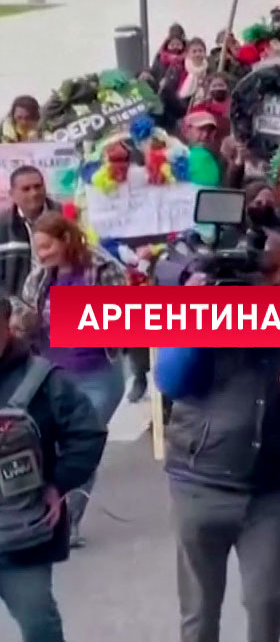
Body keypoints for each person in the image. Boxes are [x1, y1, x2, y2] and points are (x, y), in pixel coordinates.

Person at [155, 227, 280, 642]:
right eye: (268, 272)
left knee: (266, 601)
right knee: (200, 613)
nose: (278, 282)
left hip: (271, 491)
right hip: (200, 485)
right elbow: (171, 381)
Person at [9, 214, 124, 544]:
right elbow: (28, 315)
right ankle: (46, 514)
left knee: (80, 447)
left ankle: (68, 522)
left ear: (66, 239)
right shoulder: (41, 276)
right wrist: (22, 321)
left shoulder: (102, 268)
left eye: (47, 247)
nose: (41, 255)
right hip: (53, 376)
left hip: (97, 374)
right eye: (38, 248)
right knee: (48, 448)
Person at [0, 297, 106, 642]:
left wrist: (58, 484)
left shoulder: (44, 380)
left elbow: (88, 433)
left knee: (38, 625)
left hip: (21, 534)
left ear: (6, 324)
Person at [0, 166, 51, 301]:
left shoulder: (67, 217)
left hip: (66, 307)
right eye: (26, 189)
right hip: (15, 312)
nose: (34, 193)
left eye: (38, 187)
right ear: (12, 194)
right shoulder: (2, 226)